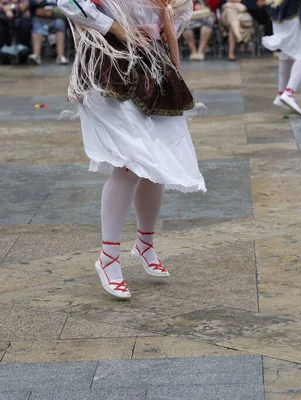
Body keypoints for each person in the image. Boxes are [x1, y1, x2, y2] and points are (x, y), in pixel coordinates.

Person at [57, 0, 206, 299]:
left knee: (157, 165)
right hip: (110, 64)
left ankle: (144, 245)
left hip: (154, 64)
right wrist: (114, 28)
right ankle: (108, 257)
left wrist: (165, 28)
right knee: (130, 161)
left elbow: (183, 7)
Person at [262, 0, 301, 116]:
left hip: (279, 10)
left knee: (287, 51)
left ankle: (282, 92)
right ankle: (289, 92)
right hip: (297, 10)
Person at [28, 0, 68, 65]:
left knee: (60, 24)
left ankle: (60, 56)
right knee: (37, 25)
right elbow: (32, 4)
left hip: (55, 17)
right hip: (40, 18)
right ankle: (36, 55)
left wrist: (52, 12)